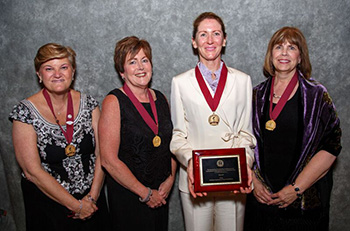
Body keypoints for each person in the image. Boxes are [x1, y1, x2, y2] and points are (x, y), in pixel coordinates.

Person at [244, 27, 342, 231]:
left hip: (302, 203)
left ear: (300, 57)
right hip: (261, 200)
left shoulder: (316, 95)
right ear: (271, 56)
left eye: (292, 47)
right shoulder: (255, 95)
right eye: (278, 47)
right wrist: (253, 182)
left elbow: (331, 146)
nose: (284, 53)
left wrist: (296, 189)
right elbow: (241, 141)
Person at [170, 12, 256, 231]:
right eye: (203, 34)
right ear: (194, 42)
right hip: (195, 180)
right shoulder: (180, 83)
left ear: (224, 40)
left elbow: (247, 134)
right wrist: (192, 163)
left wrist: (244, 165)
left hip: (233, 180)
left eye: (216, 34)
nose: (210, 41)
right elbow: (178, 136)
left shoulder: (243, 80)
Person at [9, 43, 109, 231]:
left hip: (92, 202)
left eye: (63, 67)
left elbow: (102, 154)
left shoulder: (90, 104)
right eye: (49, 68)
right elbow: (32, 171)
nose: (57, 74)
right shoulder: (24, 112)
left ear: (73, 71)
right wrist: (76, 206)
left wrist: (92, 198)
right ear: (39, 74)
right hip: (49, 208)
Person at [99, 36, 177, 231]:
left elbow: (171, 144)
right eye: (132, 62)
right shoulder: (114, 101)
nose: (140, 67)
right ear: (122, 71)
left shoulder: (160, 98)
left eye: (144, 60)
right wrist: (145, 194)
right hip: (130, 197)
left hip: (161, 193)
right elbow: (108, 160)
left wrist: (170, 178)